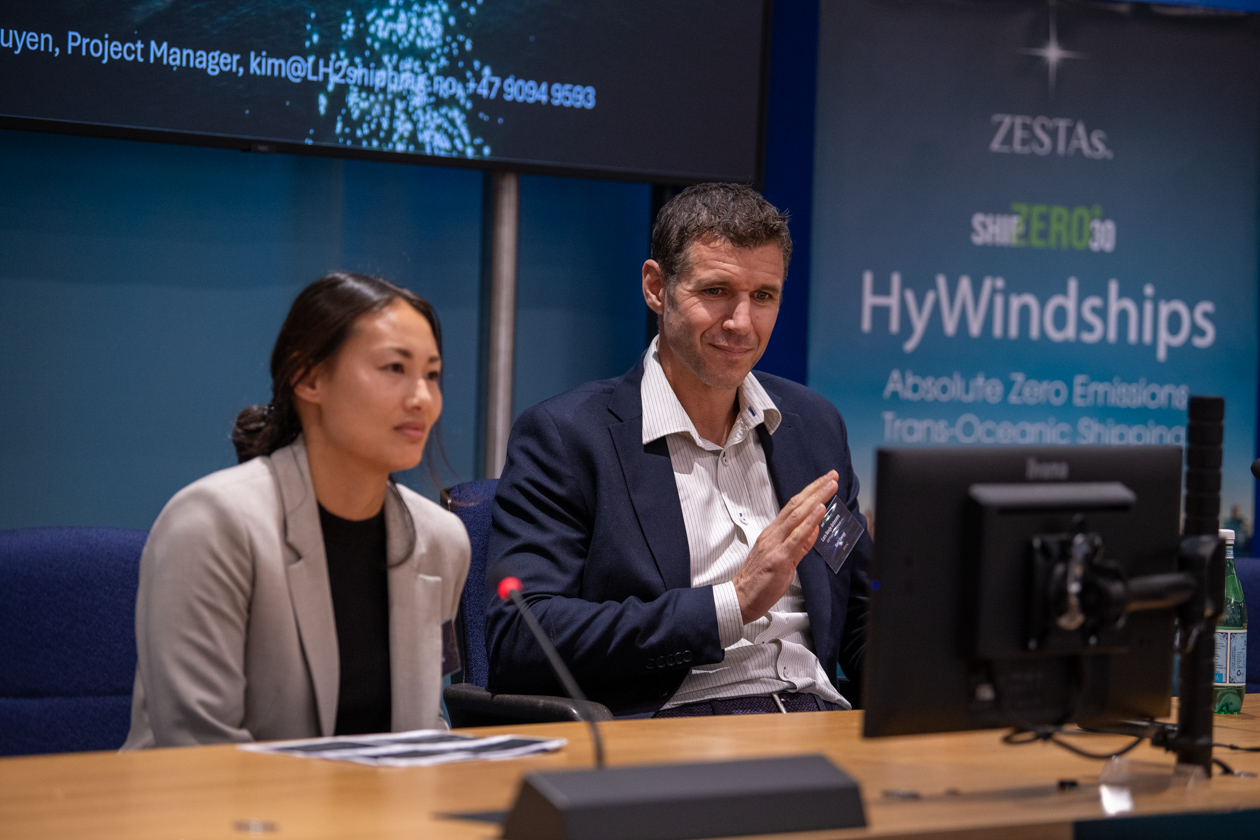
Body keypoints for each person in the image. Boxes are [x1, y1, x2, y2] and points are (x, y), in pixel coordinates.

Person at [484, 184, 872, 718]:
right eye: (716, 291)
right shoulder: (567, 437)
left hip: (823, 716)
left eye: (763, 296)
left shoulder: (814, 425)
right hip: (676, 721)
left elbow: (860, 614)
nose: (741, 323)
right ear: (656, 288)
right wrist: (731, 603)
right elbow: (521, 638)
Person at [123, 273, 470, 748]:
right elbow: (199, 747)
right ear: (308, 378)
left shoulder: (442, 540)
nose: (422, 399)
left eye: (431, 374)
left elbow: (423, 730)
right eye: (395, 368)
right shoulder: (212, 523)